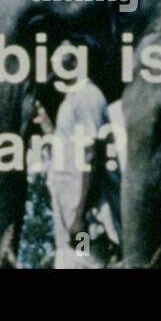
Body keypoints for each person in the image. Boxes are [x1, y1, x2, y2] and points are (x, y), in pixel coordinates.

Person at [33, 70, 122, 268]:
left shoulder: (86, 96)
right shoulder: (70, 101)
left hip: (85, 223)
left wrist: (80, 216)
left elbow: (92, 156)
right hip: (73, 225)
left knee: (87, 263)